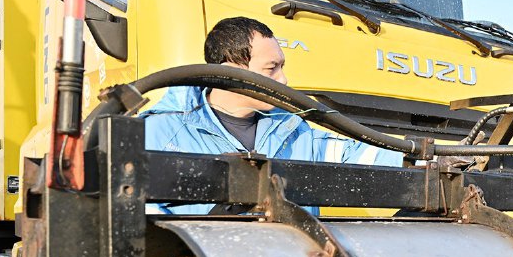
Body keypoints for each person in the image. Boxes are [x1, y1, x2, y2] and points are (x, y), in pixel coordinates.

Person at [141, 16, 402, 214]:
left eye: (282, 67)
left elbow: (360, 157)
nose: (283, 80)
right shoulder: (157, 133)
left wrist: (416, 160)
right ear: (228, 72)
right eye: (271, 68)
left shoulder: (294, 130)